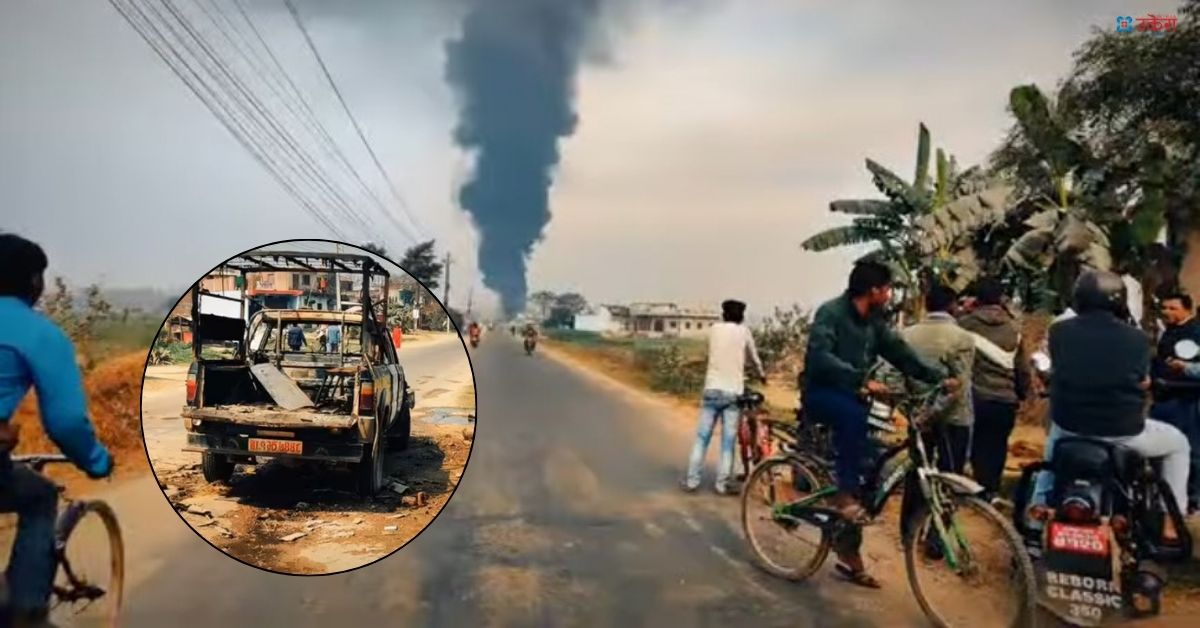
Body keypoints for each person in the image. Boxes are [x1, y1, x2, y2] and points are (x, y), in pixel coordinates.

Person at [803, 261, 950, 587]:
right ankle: (843, 497)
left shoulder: (875, 322)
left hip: (854, 396)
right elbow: (820, 358)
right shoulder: (831, 313)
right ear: (874, 290)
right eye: (888, 288)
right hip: (822, 394)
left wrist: (939, 377)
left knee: (871, 469)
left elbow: (901, 353)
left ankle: (848, 546)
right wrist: (859, 380)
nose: (890, 294)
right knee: (853, 418)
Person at [0, 234, 113, 625]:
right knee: (40, 496)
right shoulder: (37, 333)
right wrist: (97, 461)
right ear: (34, 281)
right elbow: (65, 422)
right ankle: (26, 613)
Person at [1033, 270, 1192, 540]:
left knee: (1053, 449)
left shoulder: (1059, 331)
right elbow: (1142, 379)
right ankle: (1170, 522)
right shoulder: (1138, 338)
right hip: (1124, 432)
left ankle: (1037, 509)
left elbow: (1058, 368)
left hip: (1071, 427)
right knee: (1178, 443)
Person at [681, 299, 765, 496]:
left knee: (702, 439)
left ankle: (692, 481)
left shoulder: (714, 330)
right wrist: (761, 374)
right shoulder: (744, 332)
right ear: (742, 316)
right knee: (727, 443)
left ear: (723, 314)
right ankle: (721, 484)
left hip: (711, 390)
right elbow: (754, 358)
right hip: (732, 394)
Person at [959, 278, 1029, 502]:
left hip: (975, 398)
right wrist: (1022, 393)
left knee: (975, 444)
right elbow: (1023, 369)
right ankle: (990, 491)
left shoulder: (965, 325)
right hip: (1004, 401)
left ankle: (970, 491)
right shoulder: (1014, 329)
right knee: (997, 446)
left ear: (976, 299)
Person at [901, 284, 975, 474]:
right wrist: (932, 412)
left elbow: (892, 378)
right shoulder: (963, 338)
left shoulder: (906, 336)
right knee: (951, 479)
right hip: (954, 418)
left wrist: (915, 413)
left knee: (917, 475)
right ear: (952, 306)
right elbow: (959, 385)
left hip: (917, 417)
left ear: (926, 305)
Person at [1151, 291, 1200, 513]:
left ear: (1187, 310)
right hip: (1162, 399)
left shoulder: (1196, 332)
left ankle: (1191, 499)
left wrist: (1185, 368)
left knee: (1189, 450)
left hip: (1186, 401)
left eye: (1173, 308)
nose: (1167, 312)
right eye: (1165, 308)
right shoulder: (1167, 332)